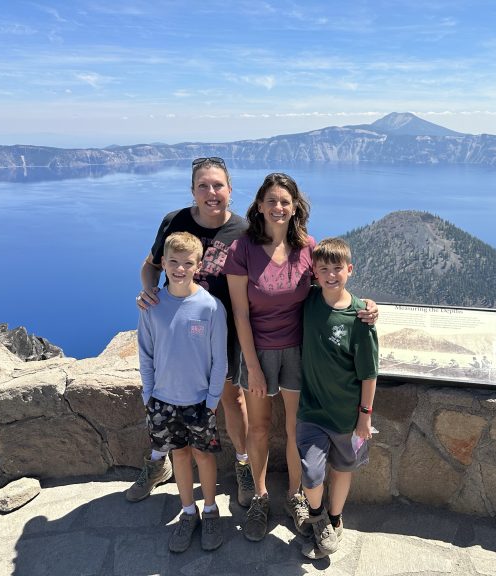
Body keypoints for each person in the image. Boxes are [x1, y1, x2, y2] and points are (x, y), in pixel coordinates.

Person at [224, 173, 378, 543]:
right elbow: (240, 314)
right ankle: (261, 497)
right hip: (257, 350)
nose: (278, 208)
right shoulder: (242, 249)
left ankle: (295, 496)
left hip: (298, 352)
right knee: (259, 428)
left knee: (296, 430)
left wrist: (366, 307)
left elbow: (332, 283)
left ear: (295, 207)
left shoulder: (306, 247)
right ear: (259, 205)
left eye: (285, 201)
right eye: (271, 201)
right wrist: (254, 368)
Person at [127, 157, 253, 508]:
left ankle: (243, 465)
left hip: (220, 330)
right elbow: (151, 265)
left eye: (218, 186)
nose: (211, 193)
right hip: (176, 328)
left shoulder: (243, 232)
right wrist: (149, 290)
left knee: (232, 397)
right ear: (192, 190)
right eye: (203, 186)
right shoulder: (175, 221)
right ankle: (158, 462)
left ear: (230, 189)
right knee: (167, 395)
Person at [137, 232, 227, 553]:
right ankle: (188, 513)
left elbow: (219, 361)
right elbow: (145, 353)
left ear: (198, 265)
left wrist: (213, 401)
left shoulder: (211, 308)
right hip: (163, 401)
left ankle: (211, 510)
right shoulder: (152, 306)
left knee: (203, 455)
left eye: (187, 263)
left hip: (200, 401)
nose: (179, 268)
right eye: (173, 262)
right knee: (180, 455)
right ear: (163, 263)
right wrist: (149, 395)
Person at [296, 237, 378, 559]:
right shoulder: (311, 300)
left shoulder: (360, 319)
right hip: (312, 412)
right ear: (314, 273)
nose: (331, 275)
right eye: (323, 269)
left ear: (350, 269)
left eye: (337, 268)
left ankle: (334, 518)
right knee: (312, 474)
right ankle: (317, 519)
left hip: (347, 416)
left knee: (344, 469)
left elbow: (369, 374)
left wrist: (365, 417)